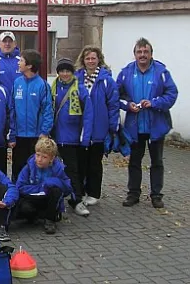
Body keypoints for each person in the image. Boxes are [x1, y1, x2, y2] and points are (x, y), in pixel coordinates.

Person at [116, 38, 178, 209]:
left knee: (157, 161)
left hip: (156, 125)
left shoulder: (161, 72)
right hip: (135, 126)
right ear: (134, 54)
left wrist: (155, 103)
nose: (142, 55)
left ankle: (156, 195)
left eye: (146, 52)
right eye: (139, 52)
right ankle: (133, 194)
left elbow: (172, 94)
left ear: (151, 54)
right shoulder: (125, 72)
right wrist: (127, 105)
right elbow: (116, 96)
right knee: (134, 161)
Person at [75, 46, 120, 206]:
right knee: (80, 162)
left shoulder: (107, 80)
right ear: (83, 60)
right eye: (88, 58)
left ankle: (94, 193)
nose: (91, 61)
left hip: (99, 128)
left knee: (94, 163)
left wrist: (113, 127)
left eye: (93, 58)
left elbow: (113, 105)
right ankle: (79, 191)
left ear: (99, 59)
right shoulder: (76, 78)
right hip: (80, 128)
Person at [51, 58, 93, 217]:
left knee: (73, 171)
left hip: (72, 138)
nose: (65, 74)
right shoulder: (53, 88)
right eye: (62, 71)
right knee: (55, 170)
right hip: (55, 136)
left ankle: (77, 200)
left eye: (68, 70)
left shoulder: (81, 90)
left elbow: (88, 116)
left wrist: (85, 137)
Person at [9, 49, 53, 182]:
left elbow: (47, 110)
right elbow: (12, 109)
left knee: (35, 169)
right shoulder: (17, 83)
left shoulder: (42, 85)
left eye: (21, 60)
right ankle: (16, 197)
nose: (18, 63)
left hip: (36, 136)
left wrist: (44, 132)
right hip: (19, 135)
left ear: (29, 65)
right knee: (18, 168)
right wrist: (12, 133)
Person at [16, 138, 72, 234]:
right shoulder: (29, 167)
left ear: (52, 158)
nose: (39, 159)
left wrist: (53, 182)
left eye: (44, 157)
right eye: (37, 155)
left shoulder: (59, 168)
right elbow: (19, 186)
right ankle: (34, 217)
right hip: (32, 197)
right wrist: (41, 187)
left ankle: (50, 220)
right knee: (24, 208)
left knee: (56, 190)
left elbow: (67, 189)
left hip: (49, 199)